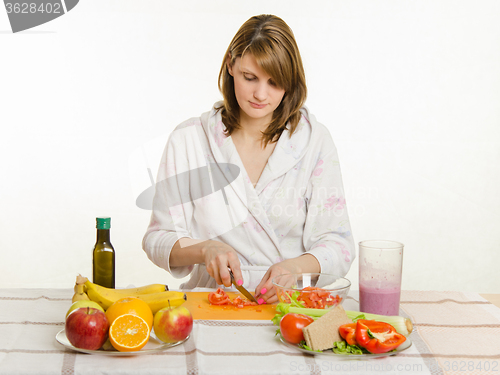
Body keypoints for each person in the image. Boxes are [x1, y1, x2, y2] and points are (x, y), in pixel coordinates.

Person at [142, 14, 354, 304]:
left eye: (275, 83)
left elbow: (338, 244)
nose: (260, 94)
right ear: (231, 65)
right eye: (249, 77)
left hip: (290, 307)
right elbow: (157, 237)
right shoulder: (189, 139)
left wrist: (293, 268)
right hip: (212, 303)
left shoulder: (315, 142)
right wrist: (205, 249)